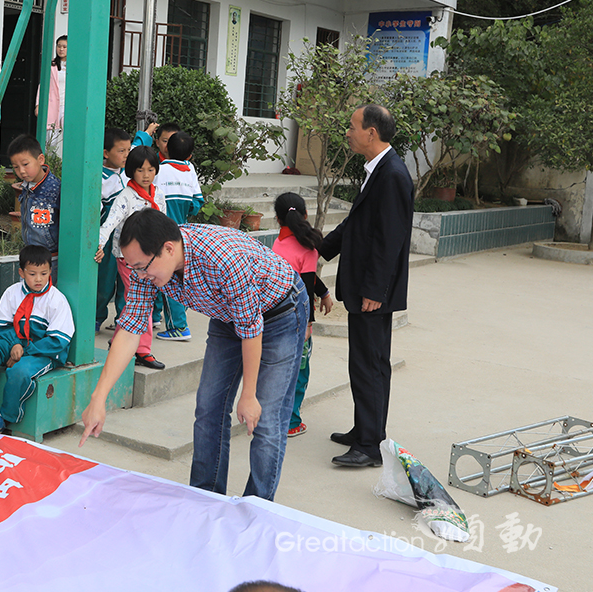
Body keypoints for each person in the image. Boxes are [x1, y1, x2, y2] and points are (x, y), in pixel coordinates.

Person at [81, 209, 308, 501]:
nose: (139, 275)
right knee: (209, 410)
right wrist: (99, 398)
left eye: (142, 267)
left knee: (266, 419)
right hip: (226, 315)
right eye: (133, 267)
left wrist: (249, 394)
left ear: (168, 248)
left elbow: (251, 329)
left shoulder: (223, 259)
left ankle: (259, 507)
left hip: (279, 314)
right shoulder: (146, 268)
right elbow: (130, 327)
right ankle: (206, 498)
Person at [319, 104, 413, 468]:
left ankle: (370, 447)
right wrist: (320, 248)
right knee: (365, 362)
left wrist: (375, 291)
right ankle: (366, 431)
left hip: (373, 292)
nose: (348, 131)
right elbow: (358, 225)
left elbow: (389, 240)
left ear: (371, 132)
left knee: (370, 364)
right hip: (366, 286)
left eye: (353, 126)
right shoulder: (378, 170)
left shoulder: (392, 175)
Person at [0, 245, 73, 433]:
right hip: (18, 344)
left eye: (44, 273)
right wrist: (14, 344)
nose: (38, 279)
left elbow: (57, 341)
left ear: (50, 271)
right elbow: (1, 326)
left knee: (20, 371)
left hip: (43, 352)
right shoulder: (12, 292)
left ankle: (5, 418)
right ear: (21, 272)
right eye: (32, 274)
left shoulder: (57, 300)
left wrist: (23, 353)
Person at [94, 146, 166, 370]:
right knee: (140, 302)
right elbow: (110, 223)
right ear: (130, 172)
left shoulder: (158, 195)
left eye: (151, 169)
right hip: (128, 260)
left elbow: (164, 225)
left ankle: (119, 342)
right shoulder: (126, 196)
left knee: (138, 303)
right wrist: (99, 244)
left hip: (151, 260)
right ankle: (142, 350)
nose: (146, 175)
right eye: (140, 170)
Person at [271, 192, 333, 438]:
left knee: (276, 368)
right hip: (296, 319)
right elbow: (305, 286)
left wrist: (324, 291)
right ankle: (291, 422)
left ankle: (270, 416)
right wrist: (308, 324)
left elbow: (304, 279)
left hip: (273, 316)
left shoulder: (278, 244)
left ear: (278, 219)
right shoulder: (308, 247)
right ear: (305, 215)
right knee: (298, 370)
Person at [153, 131, 203, 342]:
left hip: (160, 232)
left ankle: (179, 327)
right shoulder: (189, 170)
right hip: (181, 232)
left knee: (165, 279)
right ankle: (156, 317)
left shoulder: (158, 169)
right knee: (160, 276)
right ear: (190, 155)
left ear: (166, 149)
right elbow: (197, 202)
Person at [96, 127, 130, 333]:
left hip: (128, 238)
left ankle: (124, 321)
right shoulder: (99, 178)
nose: (126, 155)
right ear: (106, 153)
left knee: (126, 283)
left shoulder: (129, 174)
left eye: (128, 151)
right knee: (104, 282)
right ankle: (95, 318)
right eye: (121, 151)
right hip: (108, 239)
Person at [8, 135, 60, 254]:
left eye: (25, 164)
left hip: (51, 255)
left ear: (40, 159)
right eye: (16, 167)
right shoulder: (27, 186)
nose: (21, 171)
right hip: (31, 252)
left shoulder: (55, 188)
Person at [34, 35, 67, 151]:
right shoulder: (51, 65)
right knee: (50, 140)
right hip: (52, 105)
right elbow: (42, 85)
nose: (61, 49)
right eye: (59, 46)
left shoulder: (74, 67)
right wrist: (38, 104)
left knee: (67, 136)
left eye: (64, 47)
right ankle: (50, 164)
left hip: (67, 105)